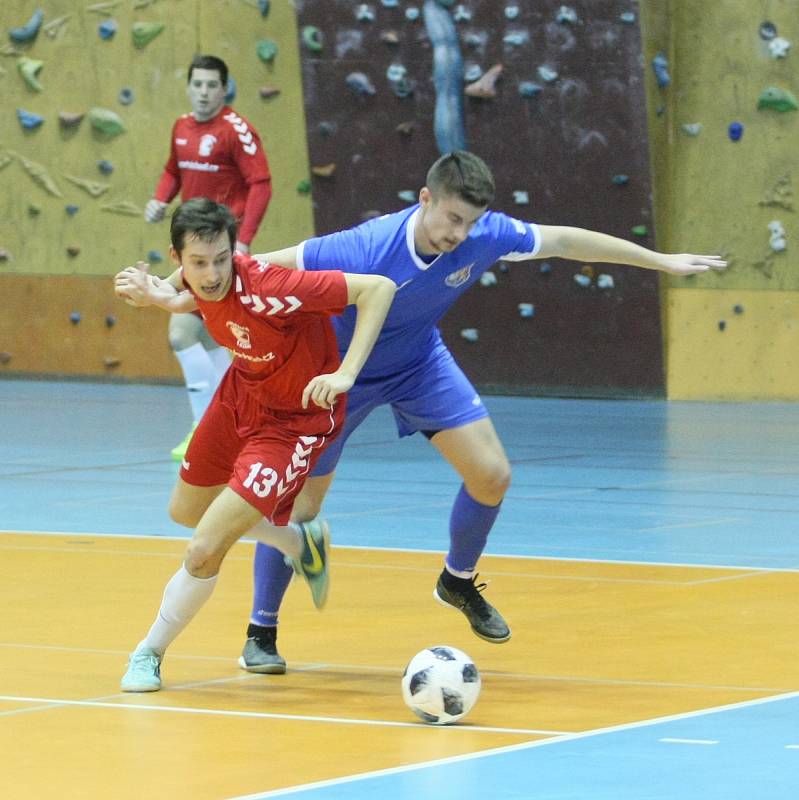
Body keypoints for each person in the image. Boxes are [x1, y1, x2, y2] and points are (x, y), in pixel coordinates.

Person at [233, 150, 726, 674]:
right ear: (425, 200)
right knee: (298, 511)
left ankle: (457, 581)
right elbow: (265, 266)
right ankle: (260, 631)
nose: (460, 234)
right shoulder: (367, 244)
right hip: (337, 374)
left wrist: (661, 261)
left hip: (418, 361)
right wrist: (176, 287)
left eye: (469, 223)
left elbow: (565, 240)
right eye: (452, 219)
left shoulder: (486, 234)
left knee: (491, 476)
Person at [113, 198, 395, 692]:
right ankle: (296, 542)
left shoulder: (271, 285)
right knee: (185, 512)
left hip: (294, 422)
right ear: (177, 258)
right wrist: (156, 295)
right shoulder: (198, 284)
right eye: (199, 263)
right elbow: (194, 299)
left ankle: (147, 653)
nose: (213, 273)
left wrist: (347, 370)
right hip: (239, 398)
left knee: (203, 549)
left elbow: (378, 288)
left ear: (234, 250)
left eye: (222, 258)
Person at [145, 54, 273, 461]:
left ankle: (211, 434)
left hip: (218, 258)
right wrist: (160, 199)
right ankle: (224, 429)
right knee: (206, 339)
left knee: (192, 335)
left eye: (211, 85)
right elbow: (173, 170)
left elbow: (261, 184)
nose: (203, 92)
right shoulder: (181, 126)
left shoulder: (236, 131)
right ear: (189, 87)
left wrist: (244, 241)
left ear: (224, 88)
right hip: (194, 254)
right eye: (196, 84)